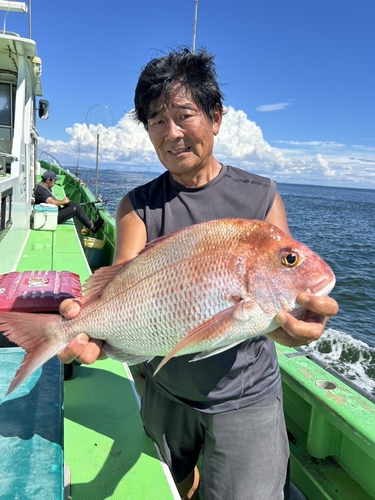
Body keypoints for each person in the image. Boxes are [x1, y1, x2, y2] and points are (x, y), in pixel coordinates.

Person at [58, 49, 338, 500]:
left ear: (216, 118)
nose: (171, 134)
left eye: (184, 115)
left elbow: (283, 297)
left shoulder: (261, 197)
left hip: (246, 397)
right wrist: (87, 326)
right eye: (155, 120)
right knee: (176, 482)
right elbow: (123, 288)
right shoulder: (137, 205)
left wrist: (295, 328)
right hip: (165, 389)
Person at [33, 170, 103, 233]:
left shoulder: (43, 188)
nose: (55, 183)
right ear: (48, 180)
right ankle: (92, 228)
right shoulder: (41, 190)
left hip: (53, 213)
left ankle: (90, 224)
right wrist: (63, 201)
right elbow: (52, 202)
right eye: (54, 181)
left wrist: (65, 204)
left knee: (74, 205)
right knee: (77, 208)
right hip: (53, 216)